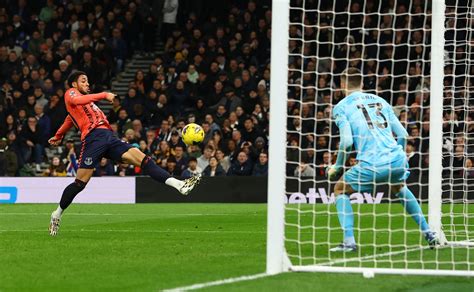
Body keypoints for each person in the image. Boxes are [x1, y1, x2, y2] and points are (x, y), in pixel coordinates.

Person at [47, 71, 201, 236]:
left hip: (109, 136)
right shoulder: (71, 94)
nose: (87, 83)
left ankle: (179, 185)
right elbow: (75, 105)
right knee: (80, 183)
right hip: (93, 139)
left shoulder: (86, 102)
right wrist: (104, 94)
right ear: (74, 85)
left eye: (87, 81)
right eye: (83, 81)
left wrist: (58, 135)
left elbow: (70, 119)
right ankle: (57, 214)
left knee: (144, 160)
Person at [326, 68, 438, 252]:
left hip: (372, 164)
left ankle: (349, 241)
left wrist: (338, 166)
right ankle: (428, 232)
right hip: (396, 157)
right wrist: (402, 157)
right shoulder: (380, 100)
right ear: (362, 84)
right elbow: (402, 133)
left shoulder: (341, 107)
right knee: (399, 186)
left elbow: (346, 142)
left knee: (339, 189)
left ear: (342, 85)